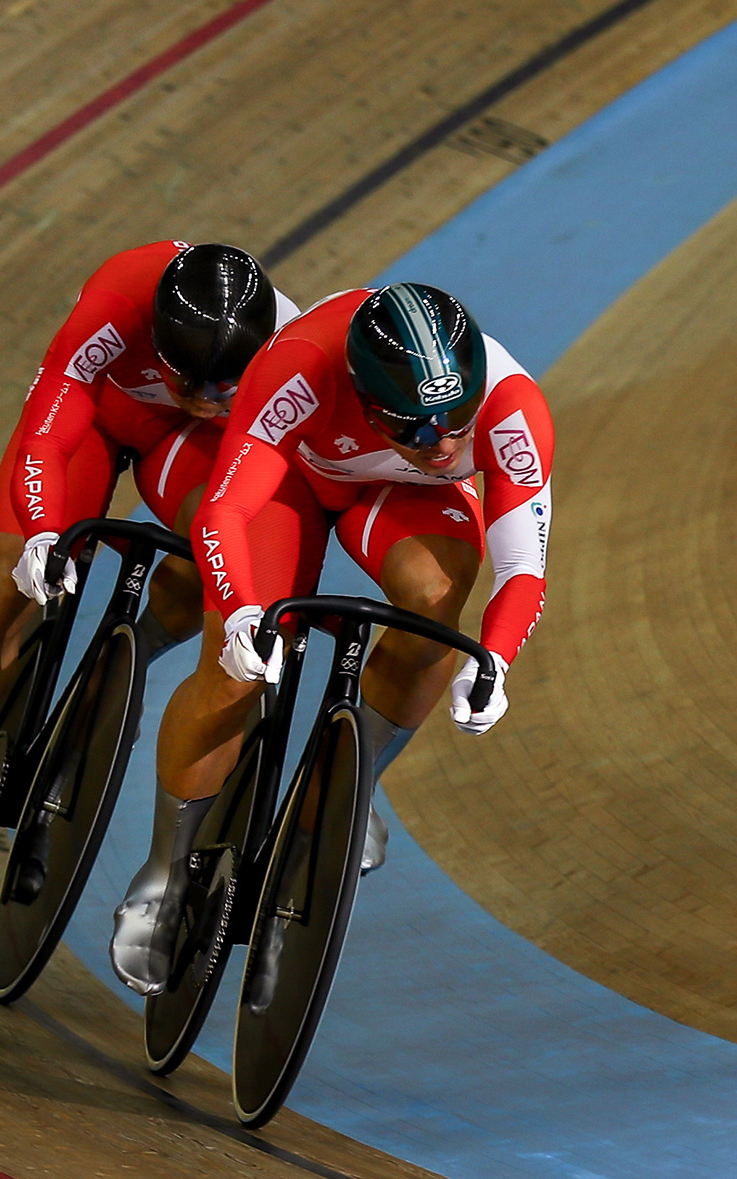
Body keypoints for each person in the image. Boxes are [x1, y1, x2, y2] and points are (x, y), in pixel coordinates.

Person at [109, 282, 554, 994]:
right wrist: (244, 610)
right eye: (412, 427)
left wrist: (496, 659)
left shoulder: (510, 409)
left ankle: (350, 782)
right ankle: (162, 875)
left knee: (437, 608)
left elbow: (523, 565)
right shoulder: (301, 365)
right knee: (236, 671)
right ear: (365, 399)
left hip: (396, 494)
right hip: (287, 479)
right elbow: (226, 509)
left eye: (456, 421)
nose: (441, 443)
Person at [0, 241, 298, 875]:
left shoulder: (284, 348)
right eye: (188, 379)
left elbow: (253, 498)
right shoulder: (118, 300)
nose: (203, 394)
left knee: (220, 547)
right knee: (11, 584)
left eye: (224, 385)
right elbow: (45, 434)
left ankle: (121, 667)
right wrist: (38, 533)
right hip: (100, 414)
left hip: (187, 445)